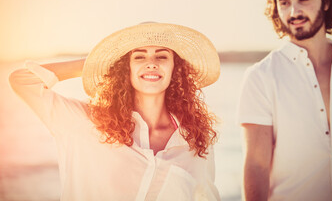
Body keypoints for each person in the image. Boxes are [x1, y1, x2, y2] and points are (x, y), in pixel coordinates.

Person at [9, 22, 221, 200]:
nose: (151, 64)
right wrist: (97, 63)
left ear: (176, 67)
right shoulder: (86, 123)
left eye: (162, 56)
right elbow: (22, 81)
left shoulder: (195, 140)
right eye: (139, 57)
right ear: (124, 68)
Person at [237, 0, 332, 201]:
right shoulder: (260, 77)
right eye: (284, 2)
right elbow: (256, 166)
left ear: (325, 1)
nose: (293, 12)